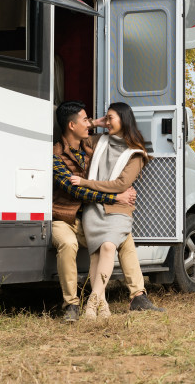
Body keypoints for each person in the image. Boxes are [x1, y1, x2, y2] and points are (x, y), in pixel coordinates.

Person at [51, 100, 162, 322]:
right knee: (82, 244)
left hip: (92, 212)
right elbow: (81, 190)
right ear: (72, 126)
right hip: (67, 213)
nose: (95, 124)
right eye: (86, 121)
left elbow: (118, 180)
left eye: (110, 118)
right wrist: (115, 196)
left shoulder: (91, 147)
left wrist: (93, 123)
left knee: (120, 239)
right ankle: (74, 304)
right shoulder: (59, 153)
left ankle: (129, 296)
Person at [73, 102, 152, 319]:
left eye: (111, 118)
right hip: (94, 208)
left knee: (108, 246)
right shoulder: (100, 141)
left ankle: (92, 302)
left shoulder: (136, 153)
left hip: (119, 208)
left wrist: (86, 183)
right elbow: (79, 134)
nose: (107, 122)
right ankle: (103, 306)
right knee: (96, 253)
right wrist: (96, 122)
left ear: (124, 120)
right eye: (105, 118)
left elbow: (120, 185)